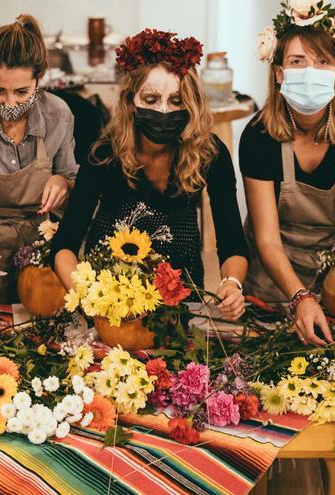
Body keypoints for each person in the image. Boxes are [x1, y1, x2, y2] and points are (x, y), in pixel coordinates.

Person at [49, 29, 248, 321]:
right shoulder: (105, 154)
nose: (164, 110)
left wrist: (232, 284)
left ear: (191, 103)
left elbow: (232, 243)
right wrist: (87, 296)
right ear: (131, 101)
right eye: (152, 99)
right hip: (109, 301)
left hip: (181, 300)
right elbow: (65, 245)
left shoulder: (210, 154)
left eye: (177, 101)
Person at [241, 1, 335, 353]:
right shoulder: (258, 137)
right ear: (278, 72)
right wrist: (300, 297)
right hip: (277, 277)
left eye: (322, 61)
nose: (310, 71)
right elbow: (268, 239)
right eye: (297, 62)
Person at [0, 14, 78, 305]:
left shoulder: (58, 115)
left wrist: (64, 184)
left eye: (22, 92)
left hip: (39, 250)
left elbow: (74, 189)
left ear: (38, 80)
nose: (9, 103)